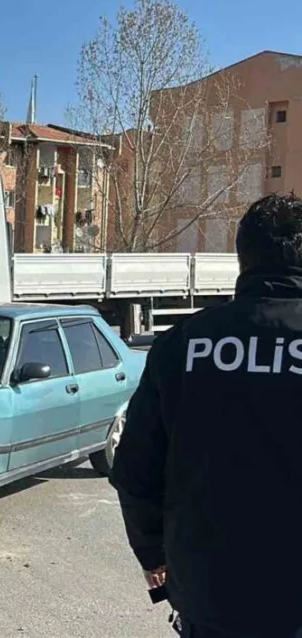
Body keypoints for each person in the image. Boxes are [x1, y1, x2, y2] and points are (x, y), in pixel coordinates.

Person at [110, 193, 302, 638]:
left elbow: (134, 470)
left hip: (209, 595)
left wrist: (154, 554)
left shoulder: (182, 344)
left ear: (242, 260)